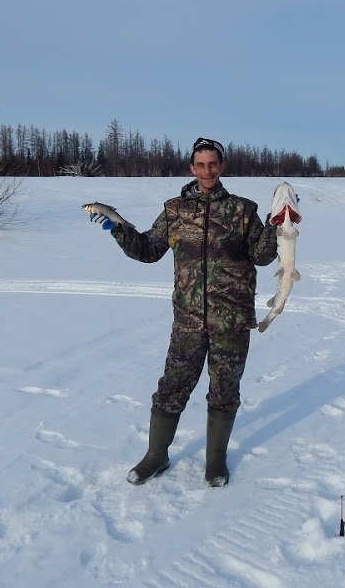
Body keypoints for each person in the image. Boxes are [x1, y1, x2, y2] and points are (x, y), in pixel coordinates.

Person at [88, 137, 279, 487]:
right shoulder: (176, 210)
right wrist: (118, 228)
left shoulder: (241, 210)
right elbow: (148, 250)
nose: (206, 170)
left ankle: (215, 462)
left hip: (230, 322)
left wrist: (275, 225)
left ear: (221, 166)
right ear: (192, 168)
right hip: (188, 322)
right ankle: (155, 455)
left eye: (213, 164)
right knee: (172, 388)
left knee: (224, 390)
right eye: (200, 164)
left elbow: (262, 256)